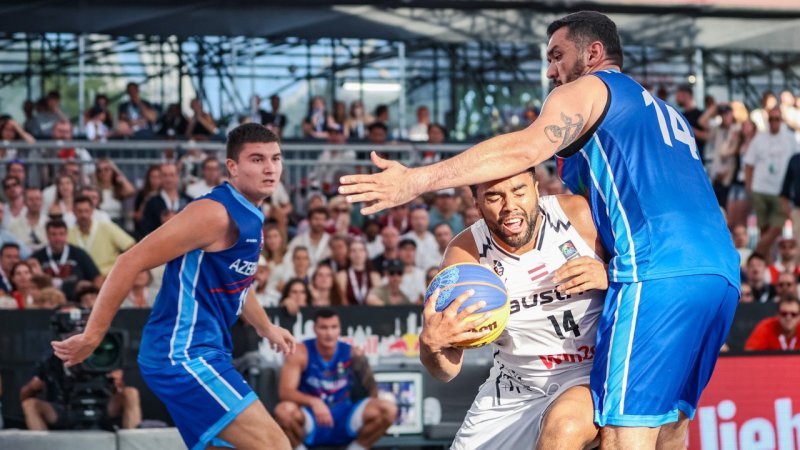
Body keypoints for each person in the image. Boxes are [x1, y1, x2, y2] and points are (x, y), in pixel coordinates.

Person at [339, 11, 740, 448]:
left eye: (557, 56)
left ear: (594, 53)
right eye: (492, 196)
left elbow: (526, 146)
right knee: (669, 424)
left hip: (658, 272)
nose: (551, 71)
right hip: (719, 274)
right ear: (477, 204)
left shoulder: (589, 90)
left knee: (627, 434)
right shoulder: (661, 114)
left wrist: (415, 181)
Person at [51, 123, 296, 450]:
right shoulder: (214, 213)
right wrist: (93, 335)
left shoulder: (251, 212)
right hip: (181, 352)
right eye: (257, 159)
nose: (270, 168)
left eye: (275, 158)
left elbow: (239, 280)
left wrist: (266, 328)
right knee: (275, 446)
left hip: (204, 349)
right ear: (232, 167)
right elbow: (128, 261)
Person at [420, 168, 606, 449]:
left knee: (563, 429)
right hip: (515, 386)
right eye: (494, 197)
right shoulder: (465, 253)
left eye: (519, 192)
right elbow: (446, 371)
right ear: (477, 204)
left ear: (536, 187)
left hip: (587, 374)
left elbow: (653, 277)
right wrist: (431, 345)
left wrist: (611, 275)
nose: (510, 206)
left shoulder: (578, 215)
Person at [274, 309, 397, 450]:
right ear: (314, 329)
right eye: (323, 327)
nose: (329, 333)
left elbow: (372, 390)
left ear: (339, 329)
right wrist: (314, 402)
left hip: (345, 415)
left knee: (388, 409)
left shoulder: (352, 352)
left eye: (334, 327)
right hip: (311, 417)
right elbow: (285, 392)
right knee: (283, 411)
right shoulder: (301, 352)